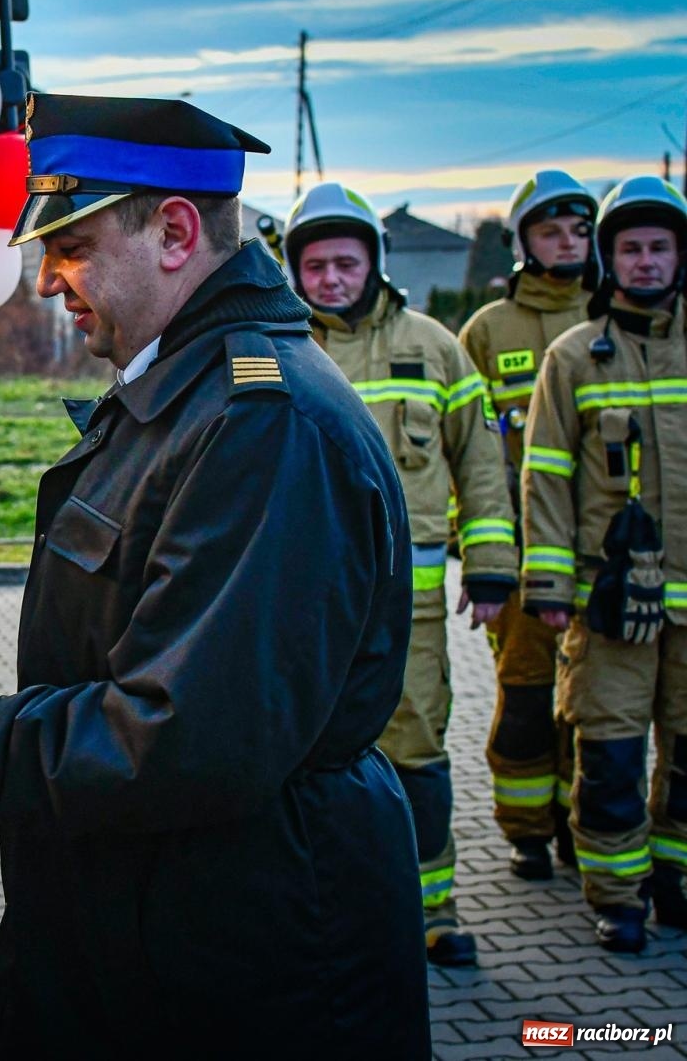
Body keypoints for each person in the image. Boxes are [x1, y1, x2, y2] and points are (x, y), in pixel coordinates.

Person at [0, 94, 429, 1056]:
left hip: (246, 953)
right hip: (166, 924)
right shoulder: (185, 388)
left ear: (176, 231)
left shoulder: (262, 426)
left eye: (72, 245)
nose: (49, 280)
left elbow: (178, 741)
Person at [283, 181, 517, 966]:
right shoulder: (276, 351)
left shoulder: (436, 345)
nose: (331, 280)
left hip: (410, 616)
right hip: (306, 614)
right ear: (297, 272)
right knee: (309, 758)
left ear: (374, 264)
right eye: (315, 267)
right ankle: (333, 911)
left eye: (345, 263)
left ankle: (431, 912)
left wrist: (489, 568)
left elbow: (481, 466)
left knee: (415, 754)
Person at [521, 175, 687, 953]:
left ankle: (674, 882)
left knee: (685, 760)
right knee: (611, 758)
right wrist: (552, 586)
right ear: (610, 260)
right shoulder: (574, 358)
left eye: (659, 247)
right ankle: (618, 899)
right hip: (609, 604)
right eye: (631, 249)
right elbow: (545, 478)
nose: (646, 262)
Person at [459, 171, 595, 880]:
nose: (566, 243)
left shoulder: (615, 318)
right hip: (519, 553)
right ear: (524, 243)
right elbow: (473, 450)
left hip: (600, 555)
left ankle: (583, 823)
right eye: (550, 231)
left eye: (578, 231)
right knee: (525, 694)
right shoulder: (489, 331)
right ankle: (526, 828)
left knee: (595, 704)